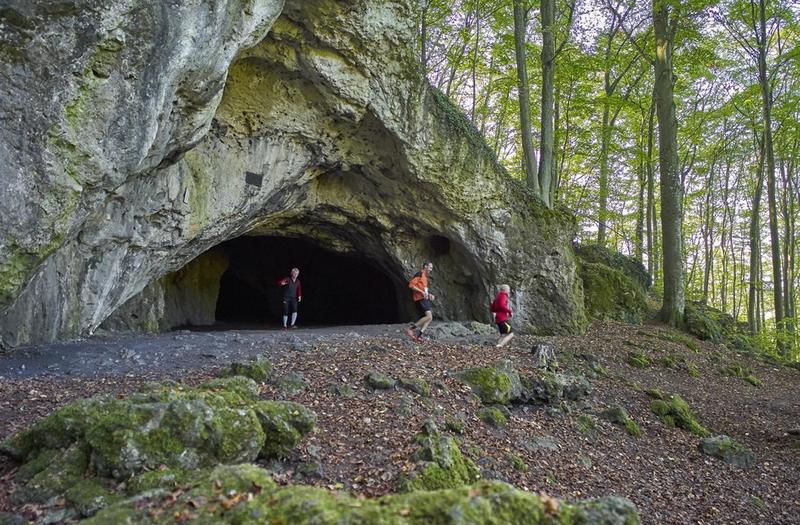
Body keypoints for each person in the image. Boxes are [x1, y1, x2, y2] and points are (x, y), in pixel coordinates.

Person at [406, 261, 435, 341]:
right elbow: (411, 285)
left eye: (431, 268)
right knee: (429, 317)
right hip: (420, 298)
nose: (431, 270)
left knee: (430, 318)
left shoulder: (425, 277)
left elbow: (424, 290)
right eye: (430, 267)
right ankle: (410, 329)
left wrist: (429, 295)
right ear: (425, 266)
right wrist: (422, 292)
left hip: (424, 298)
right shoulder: (419, 274)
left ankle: (418, 335)